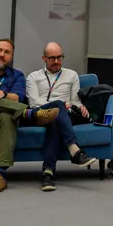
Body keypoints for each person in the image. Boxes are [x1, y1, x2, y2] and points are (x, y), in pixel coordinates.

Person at [0, 38, 59, 194]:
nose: (2, 55)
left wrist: (1, 94)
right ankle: (30, 113)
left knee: (6, 116)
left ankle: (0, 175)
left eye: (7, 52)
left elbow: (17, 97)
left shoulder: (17, 76)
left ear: (11, 57)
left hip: (3, 116)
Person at [25, 42, 91, 191]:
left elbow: (74, 99)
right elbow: (34, 102)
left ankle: (47, 173)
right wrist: (58, 103)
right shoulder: (33, 77)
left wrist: (80, 106)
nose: (56, 61)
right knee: (57, 107)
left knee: (55, 119)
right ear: (44, 58)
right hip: (41, 114)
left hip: (65, 115)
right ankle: (74, 150)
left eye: (59, 57)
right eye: (52, 58)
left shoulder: (72, 75)